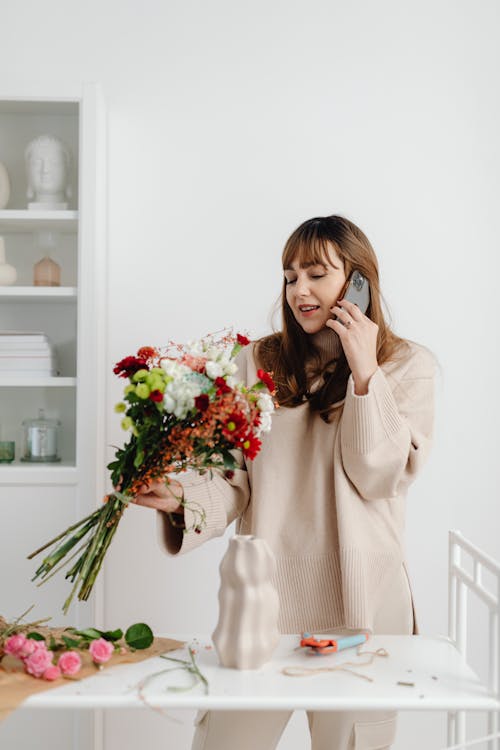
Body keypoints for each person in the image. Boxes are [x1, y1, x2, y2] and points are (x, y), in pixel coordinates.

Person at [131, 214, 437, 750]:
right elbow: (235, 476)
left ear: (358, 282)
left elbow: (377, 475)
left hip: (362, 601)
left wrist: (365, 374)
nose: (300, 290)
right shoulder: (258, 362)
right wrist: (182, 498)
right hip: (266, 597)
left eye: (317, 274)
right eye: (290, 276)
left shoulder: (408, 365)